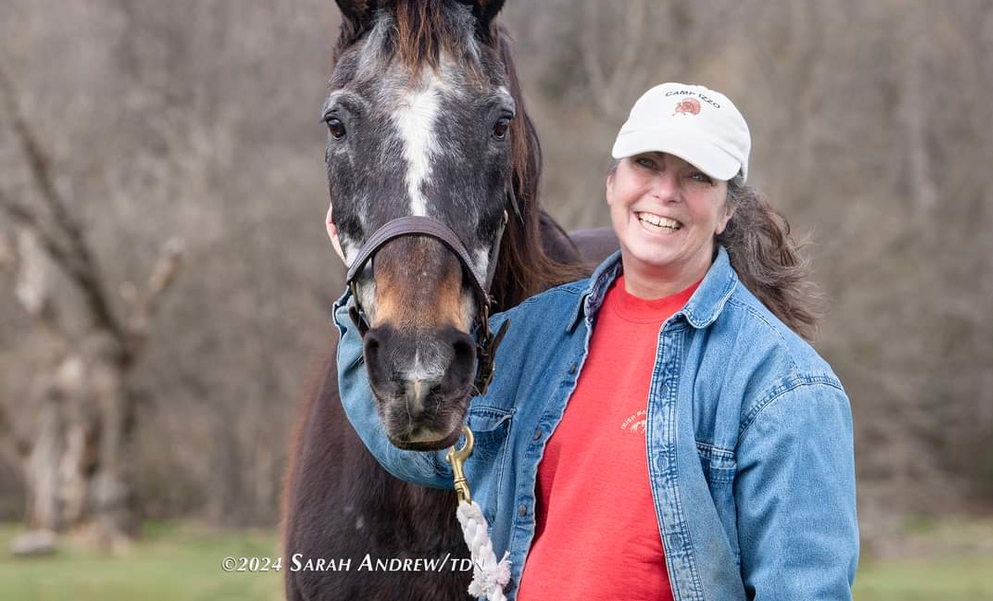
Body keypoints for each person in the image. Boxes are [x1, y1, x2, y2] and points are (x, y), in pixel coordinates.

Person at [331, 83, 859, 600]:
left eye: (697, 176)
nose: (665, 192)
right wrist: (363, 286)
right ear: (612, 183)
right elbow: (430, 453)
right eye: (647, 164)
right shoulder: (536, 334)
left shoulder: (784, 385)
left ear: (726, 212)